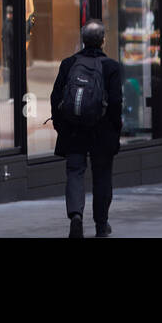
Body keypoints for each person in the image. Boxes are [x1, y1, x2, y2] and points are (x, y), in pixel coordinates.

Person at [50, 19, 123, 239]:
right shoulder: (111, 67)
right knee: (102, 177)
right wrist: (115, 129)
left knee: (74, 172)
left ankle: (76, 217)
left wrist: (60, 125)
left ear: (83, 40)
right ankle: (101, 225)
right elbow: (116, 102)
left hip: (73, 129)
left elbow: (55, 97)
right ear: (103, 40)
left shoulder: (69, 64)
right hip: (102, 131)